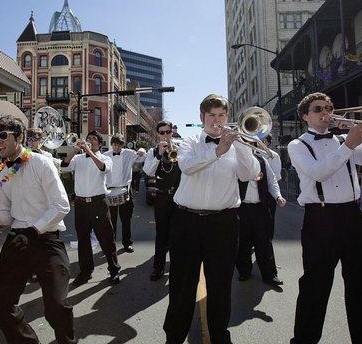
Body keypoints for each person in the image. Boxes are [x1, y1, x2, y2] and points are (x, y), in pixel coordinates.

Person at [287, 92, 362, 344]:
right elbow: (319, 172)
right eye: (318, 109)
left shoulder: (345, 139)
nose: (325, 112)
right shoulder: (298, 145)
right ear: (305, 116)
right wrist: (349, 145)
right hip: (320, 218)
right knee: (316, 284)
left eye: (328, 107)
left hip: (351, 215)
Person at [163, 94, 261, 344]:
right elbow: (187, 167)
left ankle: (220, 336)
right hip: (187, 222)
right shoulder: (189, 141)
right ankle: (174, 336)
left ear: (227, 117)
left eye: (221, 116)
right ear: (202, 118)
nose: (217, 121)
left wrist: (240, 145)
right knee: (182, 285)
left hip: (223, 223)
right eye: (212, 116)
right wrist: (219, 150)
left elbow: (250, 173)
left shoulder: (237, 144)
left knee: (220, 285)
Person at [0, 115, 77, 344]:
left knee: (57, 306)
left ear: (19, 137)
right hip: (17, 240)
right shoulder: (3, 173)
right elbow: (9, 216)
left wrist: (34, 230)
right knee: (0, 305)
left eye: (3, 135)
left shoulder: (41, 163)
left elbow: (61, 205)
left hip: (47, 241)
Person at [60, 131, 121, 285]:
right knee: (83, 239)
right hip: (80, 204)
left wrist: (89, 152)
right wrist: (74, 149)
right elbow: (64, 166)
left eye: (94, 139)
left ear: (100, 144)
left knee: (106, 238)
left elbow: (103, 168)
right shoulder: (78, 158)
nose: (90, 141)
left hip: (98, 203)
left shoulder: (105, 157)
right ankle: (86, 271)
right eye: (88, 139)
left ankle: (113, 270)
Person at [236, 145, 286, 286]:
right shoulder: (235, 160)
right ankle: (244, 271)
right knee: (243, 241)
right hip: (242, 207)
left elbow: (272, 181)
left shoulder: (262, 160)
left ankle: (270, 275)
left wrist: (278, 196)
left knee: (264, 242)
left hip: (260, 207)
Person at [143, 120, 182, 281]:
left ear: (172, 132)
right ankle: (158, 268)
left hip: (180, 197)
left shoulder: (181, 148)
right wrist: (159, 154)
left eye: (168, 131)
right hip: (162, 196)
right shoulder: (153, 151)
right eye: (162, 132)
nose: (165, 135)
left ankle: (177, 267)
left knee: (179, 234)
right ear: (158, 134)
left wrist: (179, 153)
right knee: (162, 234)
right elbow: (148, 171)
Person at [104, 133, 145, 253]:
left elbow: (142, 156)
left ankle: (127, 243)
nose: (117, 147)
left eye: (119, 145)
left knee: (126, 219)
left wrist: (142, 150)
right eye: (115, 145)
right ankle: (111, 244)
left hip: (125, 190)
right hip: (109, 191)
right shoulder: (105, 155)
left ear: (123, 145)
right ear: (112, 145)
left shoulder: (129, 153)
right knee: (111, 221)